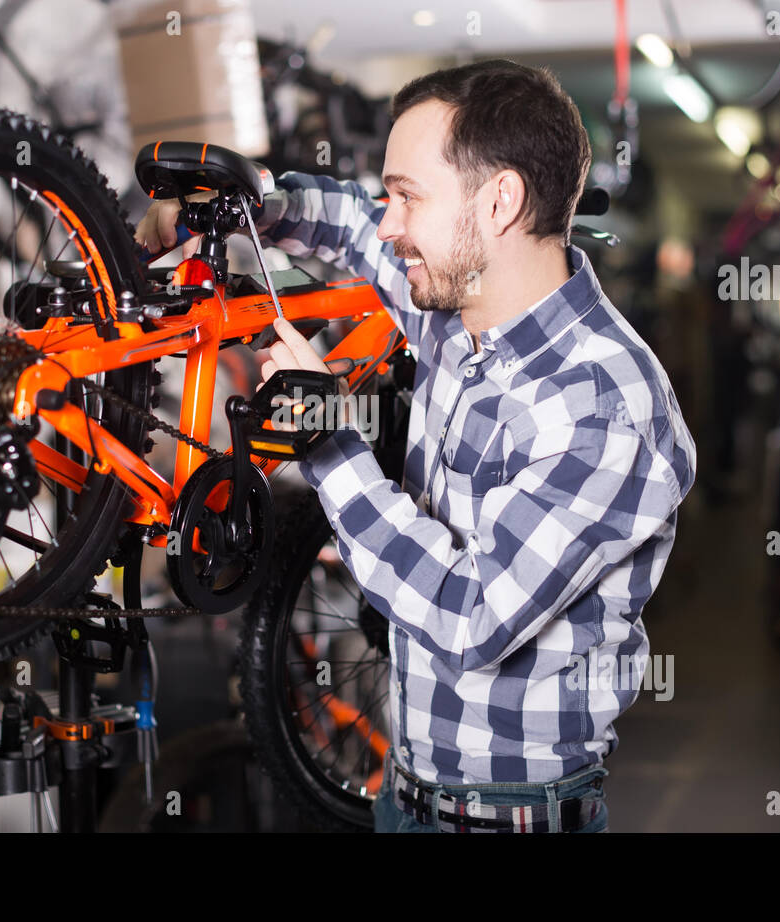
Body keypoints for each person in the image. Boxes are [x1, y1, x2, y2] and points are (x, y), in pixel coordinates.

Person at [135, 59, 697, 833]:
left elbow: (471, 617)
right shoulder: (452, 309)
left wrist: (327, 435)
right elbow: (350, 225)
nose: (389, 221)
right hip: (405, 802)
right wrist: (243, 210)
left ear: (500, 201)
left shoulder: (604, 403)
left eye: (408, 195)